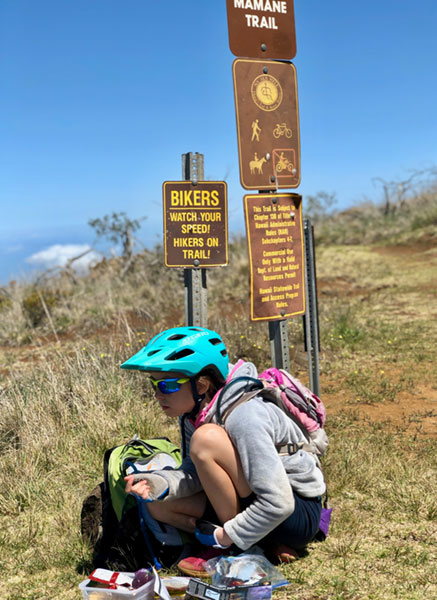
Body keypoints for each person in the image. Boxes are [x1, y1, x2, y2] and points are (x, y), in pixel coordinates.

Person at [121, 326, 325, 577]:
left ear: (202, 385)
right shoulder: (194, 414)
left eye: (167, 385)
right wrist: (159, 482)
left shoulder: (245, 415)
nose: (157, 394)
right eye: (153, 384)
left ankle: (235, 550)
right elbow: (195, 473)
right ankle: (262, 541)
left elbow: (278, 503)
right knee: (157, 506)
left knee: (206, 440)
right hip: (255, 501)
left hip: (295, 512)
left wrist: (224, 537)